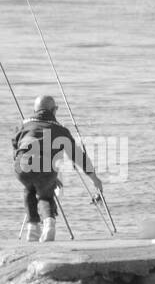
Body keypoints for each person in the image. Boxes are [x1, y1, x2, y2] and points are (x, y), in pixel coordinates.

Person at [13, 95, 104, 241]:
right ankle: (49, 225)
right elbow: (78, 156)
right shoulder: (60, 130)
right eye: (56, 109)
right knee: (45, 194)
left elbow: (16, 147)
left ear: (35, 110)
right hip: (45, 166)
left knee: (29, 189)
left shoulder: (23, 125)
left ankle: (33, 228)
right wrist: (94, 179)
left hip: (21, 166)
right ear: (53, 110)